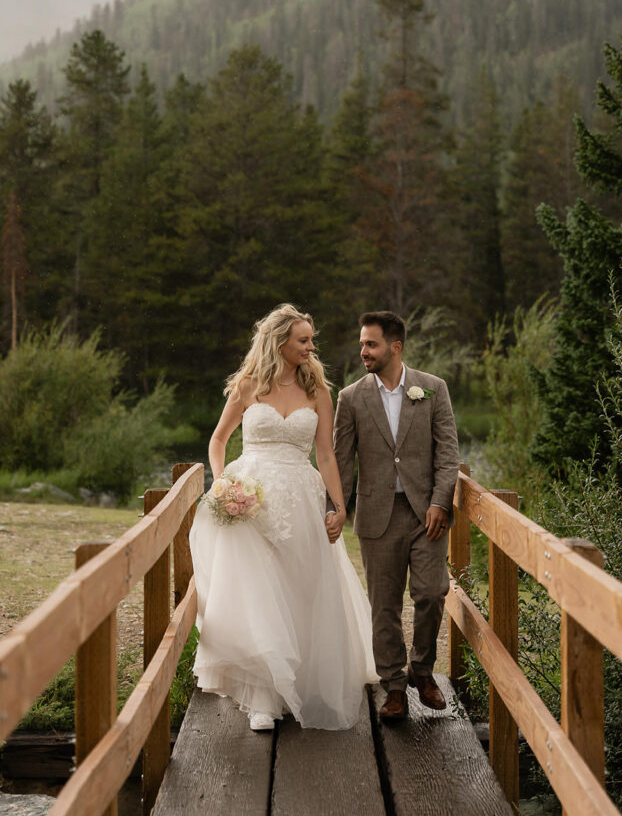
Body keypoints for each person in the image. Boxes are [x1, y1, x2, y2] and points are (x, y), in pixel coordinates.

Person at [189, 303, 377, 732]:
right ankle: (262, 697)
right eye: (304, 340)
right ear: (280, 343)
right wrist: (222, 484)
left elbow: (326, 455)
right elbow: (219, 441)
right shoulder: (249, 386)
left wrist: (338, 504)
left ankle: (300, 682)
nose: (312, 346)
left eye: (311, 339)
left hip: (301, 498)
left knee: (299, 589)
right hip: (250, 497)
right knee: (257, 591)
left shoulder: (318, 392)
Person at [330, 310, 459, 721]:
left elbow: (448, 452)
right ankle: (393, 687)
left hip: (427, 515)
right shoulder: (350, 398)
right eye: (362, 343)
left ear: (395, 347)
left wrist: (441, 500)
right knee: (383, 605)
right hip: (376, 516)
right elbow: (340, 460)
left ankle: (422, 671)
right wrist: (334, 509)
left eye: (371, 344)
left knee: (431, 593)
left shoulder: (433, 389)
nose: (363, 351)